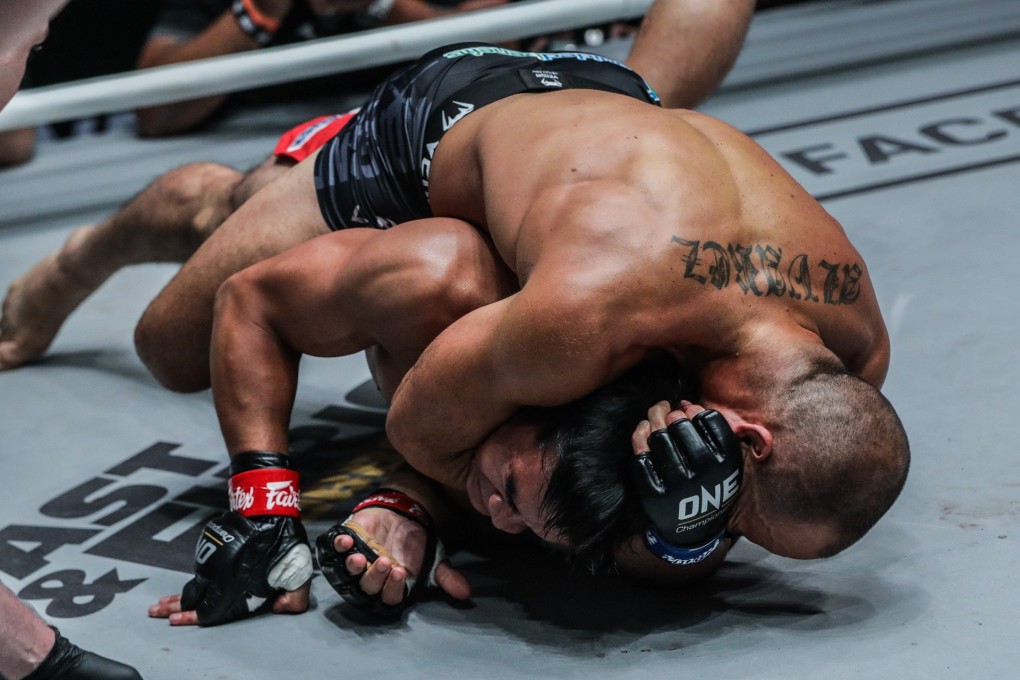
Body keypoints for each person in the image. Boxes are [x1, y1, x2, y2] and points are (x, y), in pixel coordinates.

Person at [133, 41, 907, 624]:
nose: (722, 527)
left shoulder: (856, 349)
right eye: (739, 516)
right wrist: (333, 506)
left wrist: (683, 538)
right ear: (751, 435)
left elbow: (647, 514)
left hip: (611, 121)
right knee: (174, 347)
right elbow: (423, 431)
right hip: (448, 116)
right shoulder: (597, 311)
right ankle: (241, 190)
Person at [132, 0, 509, 137]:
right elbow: (157, 114)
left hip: (405, 138)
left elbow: (510, 45)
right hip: (247, 147)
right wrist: (258, 14)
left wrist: (384, 7)